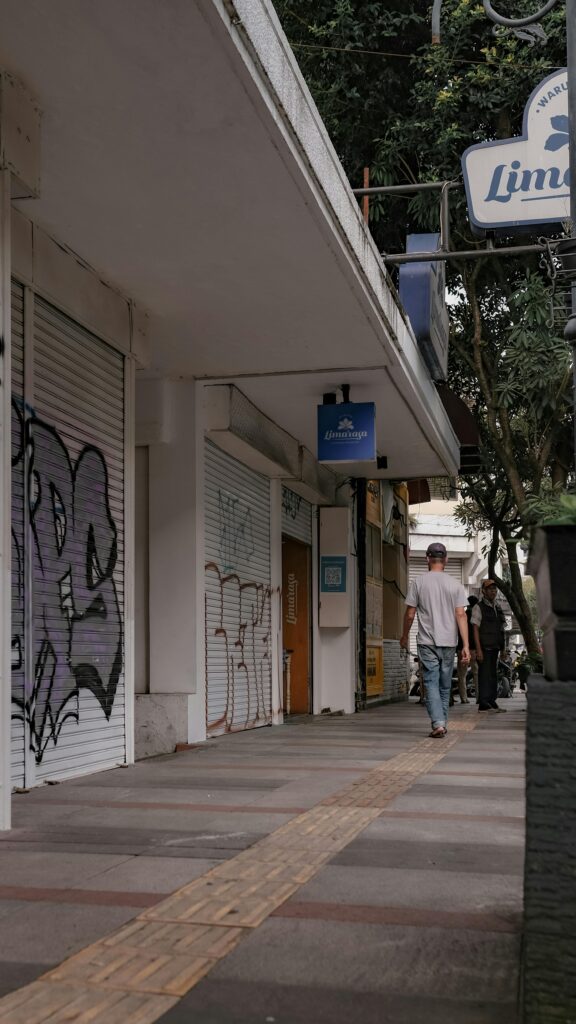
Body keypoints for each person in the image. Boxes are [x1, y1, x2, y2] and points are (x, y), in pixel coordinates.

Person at [400, 542, 470, 739]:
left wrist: (404, 636)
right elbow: (461, 615)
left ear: (427, 559)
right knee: (445, 685)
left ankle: (439, 723)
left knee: (431, 682)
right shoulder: (455, 584)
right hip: (449, 642)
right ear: (446, 559)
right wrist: (465, 645)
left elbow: (410, 614)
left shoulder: (419, 582)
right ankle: (441, 723)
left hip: (427, 642)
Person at [471, 579, 507, 713]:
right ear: (483, 591)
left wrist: (503, 648)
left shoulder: (497, 607)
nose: (493, 591)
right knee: (484, 675)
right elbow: (475, 629)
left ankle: (491, 700)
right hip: (484, 647)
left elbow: (501, 629)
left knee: (493, 675)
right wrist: (478, 649)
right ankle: (483, 703)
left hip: (495, 646)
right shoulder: (478, 607)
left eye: (495, 589)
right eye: (490, 589)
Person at [457, 596, 479, 703]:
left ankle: (463, 697)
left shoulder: (462, 616)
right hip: (474, 648)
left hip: (462, 647)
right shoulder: (477, 616)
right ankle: (479, 697)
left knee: (462, 674)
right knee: (476, 673)